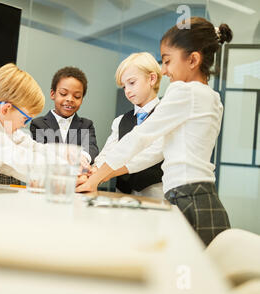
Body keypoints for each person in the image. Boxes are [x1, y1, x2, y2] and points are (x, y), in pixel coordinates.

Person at [77, 17, 233, 246]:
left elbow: (141, 137)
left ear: (193, 59)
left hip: (187, 198)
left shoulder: (184, 92)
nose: (164, 70)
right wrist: (98, 173)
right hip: (204, 198)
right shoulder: (212, 98)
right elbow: (152, 148)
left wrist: (96, 178)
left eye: (168, 61)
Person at [90, 52, 165, 199]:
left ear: (152, 78)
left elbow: (151, 154)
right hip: (122, 197)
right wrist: (95, 170)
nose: (127, 91)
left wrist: (105, 173)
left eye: (131, 83)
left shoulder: (165, 115)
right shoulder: (120, 121)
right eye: (124, 87)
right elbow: (108, 152)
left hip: (156, 197)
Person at [30, 67, 99, 170]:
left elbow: (91, 147)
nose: (69, 99)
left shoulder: (86, 125)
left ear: (82, 99)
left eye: (77, 96)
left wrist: (82, 157)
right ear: (53, 94)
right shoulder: (38, 124)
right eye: (63, 93)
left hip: (78, 179)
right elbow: (40, 153)